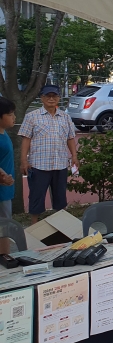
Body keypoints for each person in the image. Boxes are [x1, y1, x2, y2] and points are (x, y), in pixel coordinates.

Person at [19, 85, 79, 223]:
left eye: (54, 96)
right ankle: (34, 226)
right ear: (42, 98)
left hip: (60, 164)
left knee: (60, 198)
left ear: (59, 98)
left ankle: (61, 225)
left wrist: (74, 156)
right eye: (48, 96)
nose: (51, 99)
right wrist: (23, 160)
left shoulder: (65, 117)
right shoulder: (32, 117)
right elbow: (26, 139)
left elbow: (70, 138)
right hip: (39, 165)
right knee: (36, 196)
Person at [0, 98, 16, 255]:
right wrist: (2, 176)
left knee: (5, 226)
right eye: (10, 114)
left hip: (6, 191)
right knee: (3, 227)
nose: (14, 117)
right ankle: (4, 257)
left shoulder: (4, 134)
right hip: (1, 191)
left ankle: (5, 256)